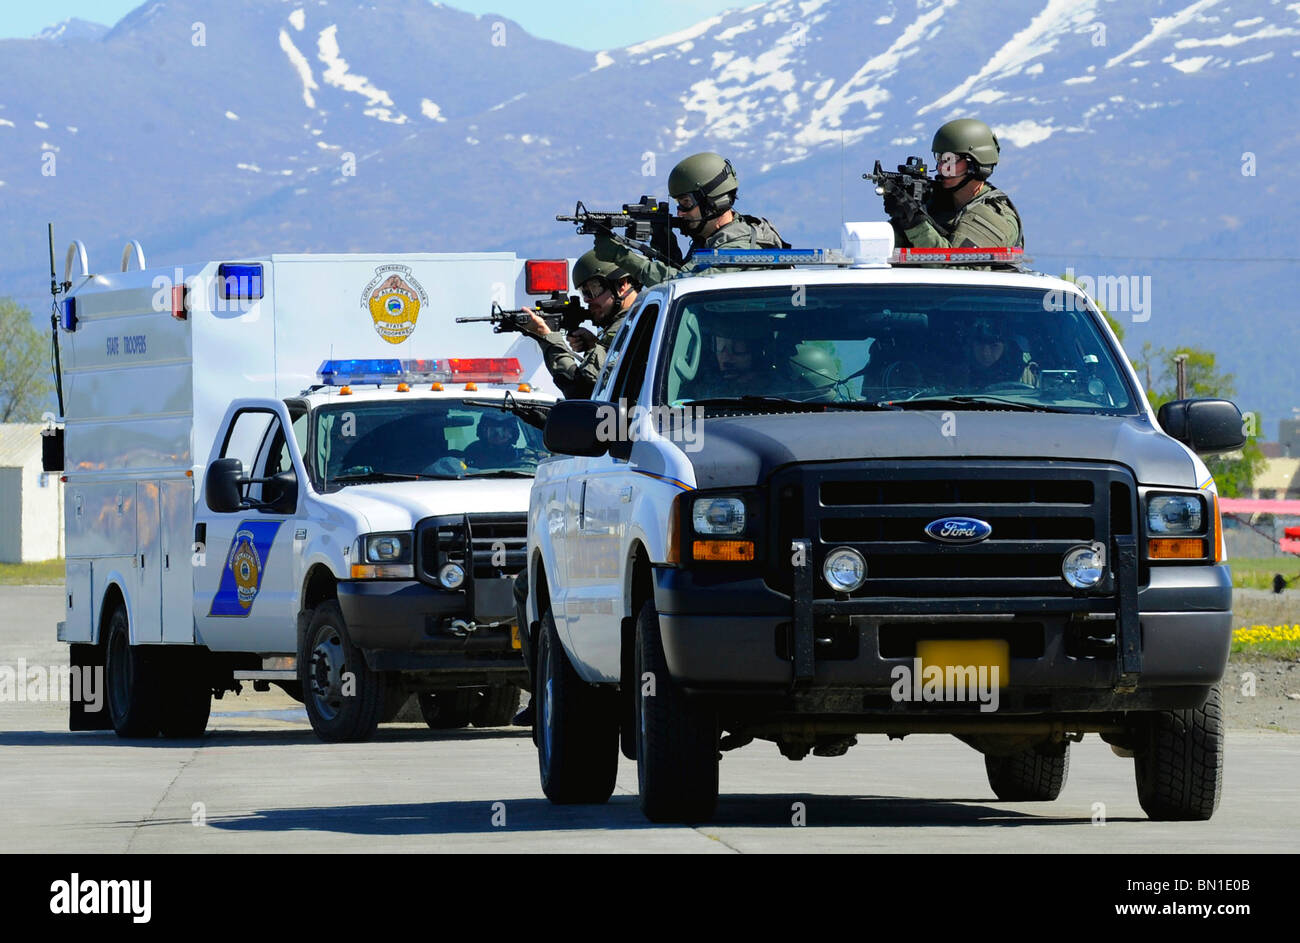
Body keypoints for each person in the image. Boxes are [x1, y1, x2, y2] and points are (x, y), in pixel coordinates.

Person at [593, 152, 786, 286]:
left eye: (686, 203)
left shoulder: (739, 247)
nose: (680, 213)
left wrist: (621, 256)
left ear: (713, 202)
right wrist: (664, 241)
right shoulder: (712, 242)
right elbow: (684, 272)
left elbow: (683, 286)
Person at [882, 118, 1023, 251]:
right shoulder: (937, 203)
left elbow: (959, 270)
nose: (940, 168)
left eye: (950, 160)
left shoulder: (994, 218)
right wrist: (902, 218)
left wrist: (916, 223)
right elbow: (888, 251)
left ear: (975, 164)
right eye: (940, 159)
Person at [522, 250, 637, 400]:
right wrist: (593, 345)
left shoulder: (628, 325)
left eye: (593, 290)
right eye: (584, 293)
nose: (587, 300)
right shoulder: (643, 317)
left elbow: (580, 391)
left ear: (622, 284)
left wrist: (546, 337)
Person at [964, 318, 1036, 388]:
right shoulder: (958, 374)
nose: (986, 353)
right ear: (971, 347)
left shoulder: (1025, 375)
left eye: (994, 346)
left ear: (1005, 348)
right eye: (980, 346)